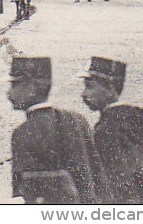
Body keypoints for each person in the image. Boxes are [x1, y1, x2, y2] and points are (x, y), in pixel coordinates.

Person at [8, 57, 108, 204]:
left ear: (32, 87)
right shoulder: (78, 120)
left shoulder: (23, 133)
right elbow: (99, 178)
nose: (9, 93)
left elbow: (24, 194)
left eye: (15, 85)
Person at [79, 57, 143, 203]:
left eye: (90, 86)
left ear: (111, 88)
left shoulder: (106, 130)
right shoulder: (139, 120)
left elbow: (114, 186)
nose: (83, 94)